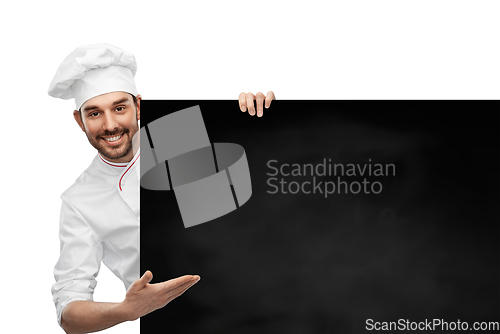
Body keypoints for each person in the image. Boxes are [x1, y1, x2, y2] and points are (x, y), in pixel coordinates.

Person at [48, 43, 274, 334]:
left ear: (138, 106)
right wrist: (125, 311)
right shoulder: (80, 200)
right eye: (94, 114)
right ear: (80, 121)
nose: (110, 124)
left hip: (264, 304)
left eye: (120, 108)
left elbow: (259, 172)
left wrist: (258, 112)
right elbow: (69, 311)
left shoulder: (178, 133)